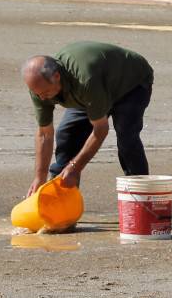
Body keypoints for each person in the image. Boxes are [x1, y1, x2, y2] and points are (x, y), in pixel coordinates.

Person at [23, 41, 154, 196]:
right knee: (67, 134)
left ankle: (142, 195)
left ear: (56, 76)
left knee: (126, 137)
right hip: (94, 89)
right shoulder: (39, 88)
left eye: (45, 92)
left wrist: (75, 167)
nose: (42, 98)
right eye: (37, 94)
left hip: (131, 83)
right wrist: (39, 177)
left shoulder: (84, 80)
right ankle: (62, 194)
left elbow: (100, 130)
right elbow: (45, 134)